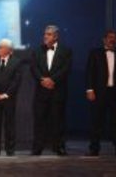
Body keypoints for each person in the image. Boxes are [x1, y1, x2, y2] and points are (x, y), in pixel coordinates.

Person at [85, 29, 116, 157]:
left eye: (115, 37)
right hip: (99, 92)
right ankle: (94, 149)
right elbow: (90, 72)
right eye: (110, 37)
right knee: (96, 121)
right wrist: (89, 89)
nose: (112, 39)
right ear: (104, 39)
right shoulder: (95, 53)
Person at [31, 25, 72, 156]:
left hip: (57, 91)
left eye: (48, 34)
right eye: (45, 34)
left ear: (56, 36)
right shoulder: (37, 51)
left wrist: (52, 80)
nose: (45, 36)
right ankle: (37, 148)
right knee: (39, 121)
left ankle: (59, 146)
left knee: (58, 121)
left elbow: (66, 69)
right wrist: (43, 79)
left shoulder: (66, 51)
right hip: (41, 91)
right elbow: (34, 68)